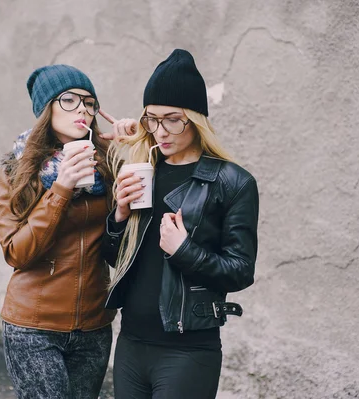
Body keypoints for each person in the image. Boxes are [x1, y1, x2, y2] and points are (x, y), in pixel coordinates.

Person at [102, 49, 259, 398]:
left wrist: (184, 250)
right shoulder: (143, 170)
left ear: (196, 118)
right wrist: (119, 216)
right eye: (152, 119)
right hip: (129, 344)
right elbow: (115, 258)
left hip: (188, 352)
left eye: (173, 119)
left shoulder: (233, 182)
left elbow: (240, 271)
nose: (161, 130)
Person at [0, 64, 117, 399]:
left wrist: (133, 149)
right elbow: (16, 252)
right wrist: (61, 189)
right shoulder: (17, 171)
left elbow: (116, 250)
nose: (82, 109)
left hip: (94, 325)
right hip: (34, 326)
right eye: (69, 100)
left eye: (89, 102)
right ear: (45, 109)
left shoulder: (106, 165)